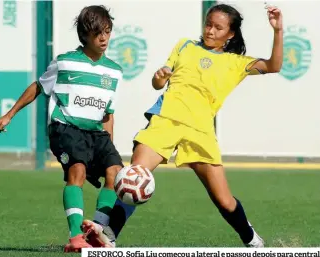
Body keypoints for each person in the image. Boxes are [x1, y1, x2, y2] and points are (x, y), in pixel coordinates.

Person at [85, 3, 283, 247]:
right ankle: (108, 235)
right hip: (165, 121)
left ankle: (252, 239)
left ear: (230, 34)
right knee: (135, 175)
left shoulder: (235, 63)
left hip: (199, 131)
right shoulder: (185, 45)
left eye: (218, 28)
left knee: (224, 200)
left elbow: (274, 66)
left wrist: (278, 31)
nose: (210, 30)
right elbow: (158, 83)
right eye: (208, 24)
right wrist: (159, 78)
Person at [0, 5, 123, 252]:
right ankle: (76, 237)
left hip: (96, 133)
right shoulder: (65, 63)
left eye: (107, 31)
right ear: (85, 35)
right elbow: (38, 87)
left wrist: (107, 148)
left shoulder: (114, 71)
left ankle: (95, 230)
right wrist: (9, 115)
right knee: (77, 171)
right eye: (98, 33)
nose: (104, 38)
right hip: (65, 128)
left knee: (115, 174)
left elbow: (108, 113)